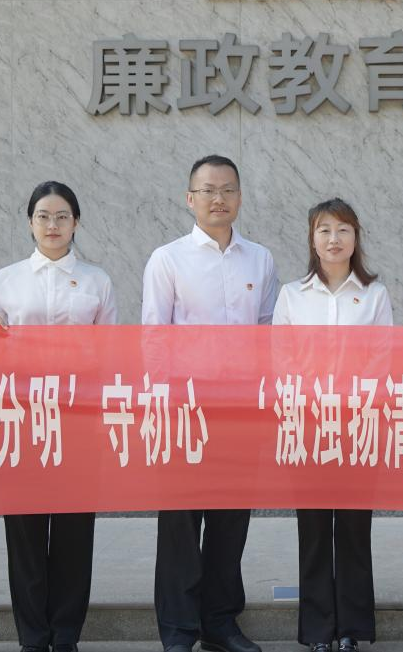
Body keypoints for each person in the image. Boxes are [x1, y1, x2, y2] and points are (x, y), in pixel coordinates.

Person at [143, 155, 279, 652]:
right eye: (207, 190)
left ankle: (220, 623)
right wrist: (164, 404)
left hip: (239, 410)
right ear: (190, 199)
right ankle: (179, 630)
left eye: (227, 189)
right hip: (185, 408)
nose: (218, 199)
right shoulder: (168, 259)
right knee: (181, 521)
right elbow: (154, 337)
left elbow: (268, 333)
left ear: (239, 197)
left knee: (230, 520)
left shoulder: (259, 259)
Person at [0, 180, 117, 652]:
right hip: (22, 421)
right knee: (25, 532)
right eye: (43, 216)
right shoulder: (6, 280)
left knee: (74, 532)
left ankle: (66, 635)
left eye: (62, 216)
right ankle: (33, 636)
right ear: (30, 223)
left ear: (76, 222)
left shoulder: (97, 281)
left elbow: (110, 355)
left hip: (78, 422)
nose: (52, 225)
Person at [273, 198, 393, 652]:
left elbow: (383, 359)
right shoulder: (292, 295)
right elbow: (282, 361)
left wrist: (354, 401)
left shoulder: (375, 295)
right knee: (314, 530)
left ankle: (352, 629)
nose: (334, 239)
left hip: (360, 425)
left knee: (355, 530)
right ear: (312, 239)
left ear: (356, 238)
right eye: (324, 230)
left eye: (343, 229)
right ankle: (318, 631)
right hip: (307, 426)